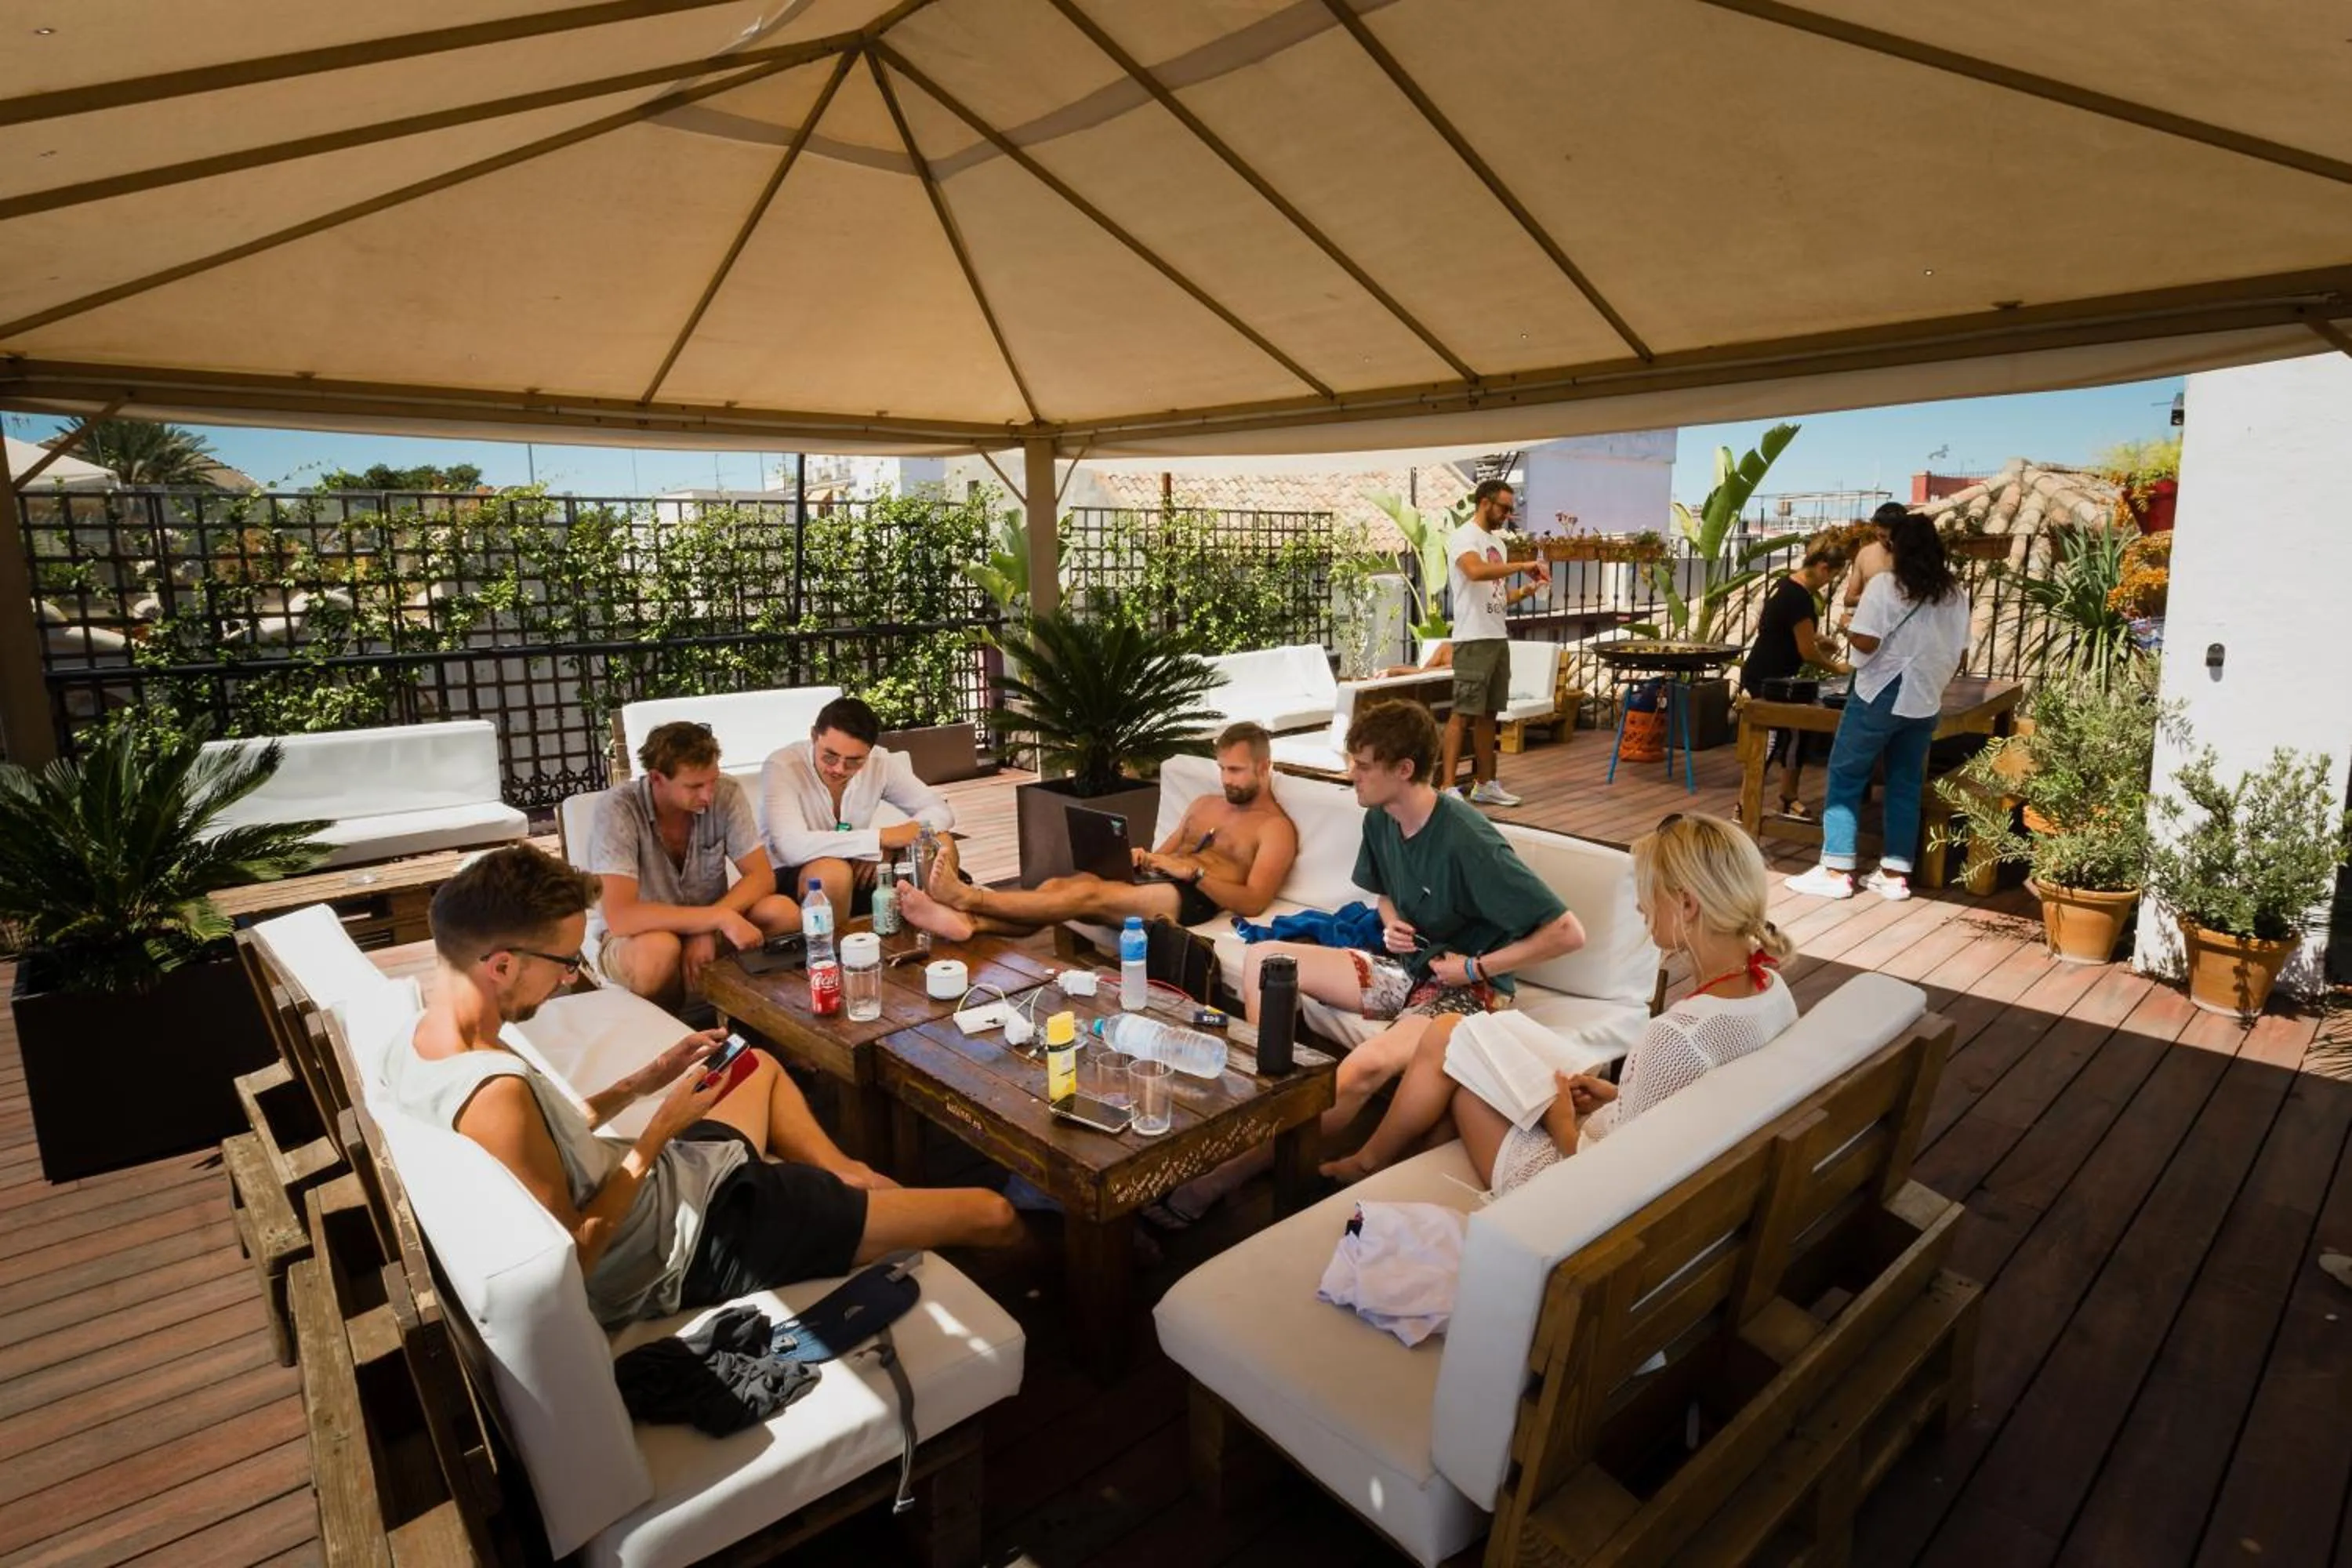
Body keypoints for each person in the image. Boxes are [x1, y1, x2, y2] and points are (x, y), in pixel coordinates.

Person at [386, 844, 1021, 1328]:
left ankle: (847, 1174)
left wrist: (646, 1082)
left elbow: (546, 1137)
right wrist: (660, 1130)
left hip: (678, 1186)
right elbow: (573, 1258)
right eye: (566, 963)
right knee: (992, 1213)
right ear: (501, 965)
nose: (570, 980)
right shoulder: (492, 1093)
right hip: (700, 1237)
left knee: (753, 1066)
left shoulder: (422, 1041)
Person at [1157, 701, 1584, 1225]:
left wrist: (1475, 969)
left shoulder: (1469, 840)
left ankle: (1230, 1175)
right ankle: (1264, 1097)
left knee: (1366, 1065)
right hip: (1404, 965)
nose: (1349, 775)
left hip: (1462, 990)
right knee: (1266, 959)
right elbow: (1383, 892)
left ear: (1404, 770)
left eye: (1362, 766)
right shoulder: (1382, 818)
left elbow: (1567, 932)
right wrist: (1391, 921)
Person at [1322, 813, 1798, 1192]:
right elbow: (1688, 1105)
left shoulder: (1679, 1035)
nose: (1639, 907)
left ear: (1688, 905)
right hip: (1636, 1140)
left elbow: (1609, 1184)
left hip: (1570, 1181)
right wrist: (1617, 1094)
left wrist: (1562, 1122)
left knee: (1463, 1071)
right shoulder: (1769, 991)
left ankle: (1389, 1179)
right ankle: (1382, 1171)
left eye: (1647, 891)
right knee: (1452, 1030)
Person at [900, 723, 1297, 939]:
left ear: (1264, 768)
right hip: (1158, 879)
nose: (1226, 780)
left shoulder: (1275, 828)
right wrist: (1141, 857)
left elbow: (1253, 902)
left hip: (1192, 898)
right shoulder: (1205, 805)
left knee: (1087, 894)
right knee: (1059, 886)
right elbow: (1163, 853)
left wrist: (1195, 873)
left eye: (1236, 771)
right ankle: (973, 925)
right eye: (1222, 768)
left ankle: (970, 899)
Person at [1788, 512, 1973, 902]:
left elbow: (1867, 643)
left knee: (1846, 775)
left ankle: (1837, 870)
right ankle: (1894, 874)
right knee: (1905, 782)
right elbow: (1960, 654)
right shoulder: (1954, 594)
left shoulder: (1886, 585)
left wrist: (1845, 628)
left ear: (1894, 549)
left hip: (1881, 691)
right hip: (1925, 697)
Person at [586, 721, 798, 1010]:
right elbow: (621, 917)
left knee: (782, 912)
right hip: (637, 938)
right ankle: (671, 1039)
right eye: (695, 786)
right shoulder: (618, 808)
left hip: (710, 921)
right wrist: (715, 919)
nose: (708, 795)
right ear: (657, 778)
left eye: (712, 780)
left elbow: (761, 876)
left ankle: (759, 1021)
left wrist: (708, 926)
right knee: (659, 949)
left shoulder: (726, 793)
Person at [762, 695, 956, 917]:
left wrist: (890, 847)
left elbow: (940, 811)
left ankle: (934, 934)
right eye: (830, 757)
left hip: (858, 865)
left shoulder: (880, 762)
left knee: (940, 843)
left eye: (854, 761)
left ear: (870, 751)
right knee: (832, 873)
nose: (839, 769)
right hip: (797, 872)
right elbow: (792, 847)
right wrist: (879, 840)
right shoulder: (782, 766)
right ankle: (836, 948)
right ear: (814, 736)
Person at [1439, 480, 1551, 807]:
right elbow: (1474, 572)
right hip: (1472, 639)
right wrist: (1522, 565)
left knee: (1489, 715)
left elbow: (1498, 598)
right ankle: (1447, 787)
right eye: (1504, 507)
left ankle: (1484, 783)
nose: (1507, 514)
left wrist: (1526, 591)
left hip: (1496, 637)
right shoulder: (1463, 537)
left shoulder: (1497, 545)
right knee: (1463, 713)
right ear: (1485, 503)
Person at [1739, 536, 1851, 819]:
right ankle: (1745, 804)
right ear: (1824, 568)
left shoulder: (1786, 586)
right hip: (1767, 678)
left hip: (1778, 676)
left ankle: (1788, 797)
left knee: (1796, 734)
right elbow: (1806, 651)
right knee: (1772, 738)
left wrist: (1819, 637)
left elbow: (1787, 629)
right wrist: (1836, 668)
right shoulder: (1799, 598)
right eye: (1834, 575)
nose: (1830, 583)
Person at [1838, 500, 1907, 633]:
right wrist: (1876, 598)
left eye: (1888, 531)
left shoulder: (1913, 557)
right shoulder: (1865, 555)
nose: (1883, 535)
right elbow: (1849, 599)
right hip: (1871, 630)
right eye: (1880, 528)